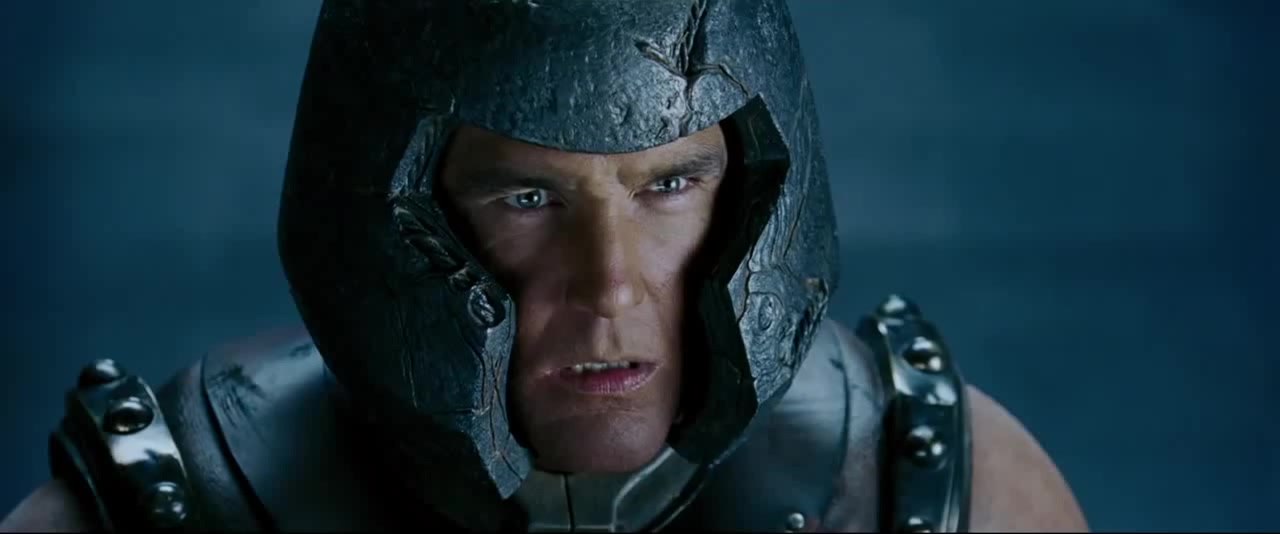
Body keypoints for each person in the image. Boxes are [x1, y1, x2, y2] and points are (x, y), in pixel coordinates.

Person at [1, 1, 1087, 531]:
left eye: (669, 185)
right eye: (528, 198)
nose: (609, 287)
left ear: (755, 188)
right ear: (392, 211)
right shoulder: (171, 508)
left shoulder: (951, 493)